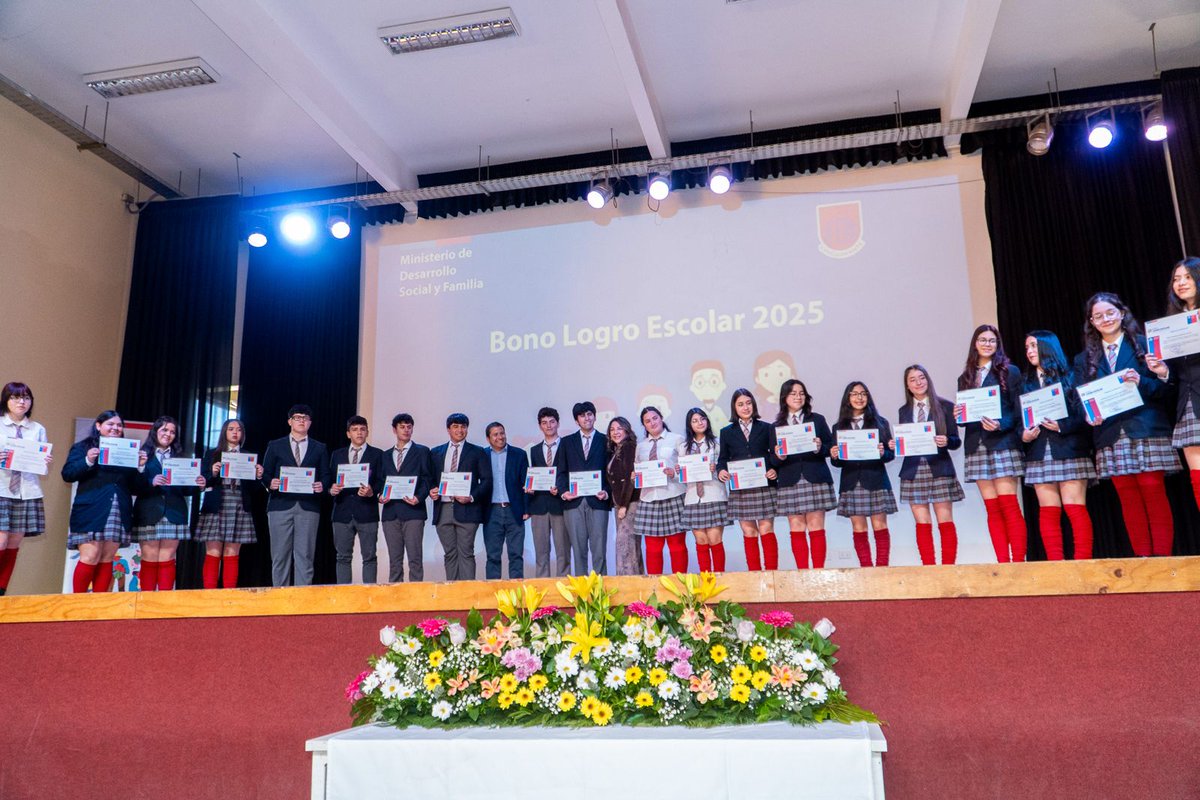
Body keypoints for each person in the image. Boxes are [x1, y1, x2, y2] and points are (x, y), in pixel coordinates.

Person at [1077, 292, 1177, 557]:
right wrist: (1089, 415)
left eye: (1110, 312)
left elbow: (1166, 390)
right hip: (1110, 435)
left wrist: (1144, 380)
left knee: (1153, 493)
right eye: (1098, 316)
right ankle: (1143, 561)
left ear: (1122, 313)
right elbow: (1080, 400)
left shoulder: (1145, 346)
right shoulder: (1084, 359)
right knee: (1128, 498)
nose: (1105, 319)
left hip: (1146, 428)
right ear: (1092, 322)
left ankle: (1164, 563)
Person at [1019, 332, 1096, 560]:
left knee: (1075, 507)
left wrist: (1062, 426)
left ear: (1047, 347)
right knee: (1048, 512)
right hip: (1039, 451)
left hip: (1069, 448)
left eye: (1034, 346)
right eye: (1027, 348)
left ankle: (1082, 563)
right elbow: (1017, 418)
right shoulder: (1025, 382)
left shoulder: (1072, 376)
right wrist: (1023, 435)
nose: (1030, 351)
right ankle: (1056, 566)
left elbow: (1085, 415)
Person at [957, 325, 1027, 563]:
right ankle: (1002, 564)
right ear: (974, 344)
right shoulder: (965, 377)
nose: (987, 344)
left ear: (998, 345)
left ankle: (1018, 562)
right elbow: (967, 420)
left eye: (992, 340)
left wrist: (1000, 424)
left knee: (1009, 505)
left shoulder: (1010, 372)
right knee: (992, 508)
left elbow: (1018, 411)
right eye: (982, 340)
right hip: (977, 446)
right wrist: (959, 415)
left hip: (1003, 443)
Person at [61, 410, 146, 593]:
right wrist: (88, 460)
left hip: (118, 510)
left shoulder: (128, 451)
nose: (115, 428)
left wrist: (140, 468)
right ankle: (78, 603)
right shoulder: (83, 447)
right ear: (99, 426)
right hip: (91, 510)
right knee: (90, 556)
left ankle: (99, 607)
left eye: (119, 425)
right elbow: (67, 474)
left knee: (107, 558)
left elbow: (136, 488)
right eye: (110, 424)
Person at [889, 366, 964, 566]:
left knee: (945, 521)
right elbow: (906, 442)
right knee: (922, 524)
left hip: (939, 468)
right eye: (912, 380)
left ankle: (948, 568)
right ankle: (928, 569)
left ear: (927, 380)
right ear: (907, 385)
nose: (918, 382)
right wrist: (895, 444)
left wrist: (946, 441)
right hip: (913, 470)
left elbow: (956, 441)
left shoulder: (945, 406)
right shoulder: (904, 411)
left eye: (921, 378)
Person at [1148, 256, 1200, 515]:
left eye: (1187, 277)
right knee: (1198, 477)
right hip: (1188, 403)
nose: (1180, 283)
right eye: (1176, 279)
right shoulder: (1172, 322)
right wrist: (1162, 371)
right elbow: (1176, 375)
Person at [132, 416, 204, 591]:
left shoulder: (181, 458)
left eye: (172, 431)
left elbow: (186, 490)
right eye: (164, 430)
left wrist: (198, 486)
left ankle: (165, 604)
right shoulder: (141, 455)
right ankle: (146, 603)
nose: (168, 434)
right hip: (149, 511)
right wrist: (149, 480)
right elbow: (132, 485)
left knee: (167, 557)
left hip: (174, 512)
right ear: (155, 431)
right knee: (149, 557)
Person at [771, 379, 836, 569]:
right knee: (796, 528)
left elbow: (830, 447)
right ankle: (802, 573)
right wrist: (778, 455)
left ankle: (818, 572)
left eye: (801, 393)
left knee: (816, 527)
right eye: (793, 393)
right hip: (790, 479)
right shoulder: (776, 426)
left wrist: (818, 447)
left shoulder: (817, 419)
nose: (798, 397)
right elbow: (773, 461)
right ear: (785, 398)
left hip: (814, 477)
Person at [831, 382, 897, 567]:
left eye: (863, 394)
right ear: (847, 398)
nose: (859, 398)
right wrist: (834, 455)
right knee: (858, 528)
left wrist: (883, 451)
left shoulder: (880, 422)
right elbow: (837, 462)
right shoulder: (838, 427)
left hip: (876, 479)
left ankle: (882, 568)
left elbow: (890, 455)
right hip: (851, 482)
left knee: (880, 526)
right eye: (854, 394)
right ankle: (866, 569)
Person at [262, 404, 329, 587]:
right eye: (297, 417)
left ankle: (302, 600)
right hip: (279, 506)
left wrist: (322, 485)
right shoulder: (275, 445)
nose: (301, 421)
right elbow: (265, 473)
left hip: (308, 507)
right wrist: (269, 483)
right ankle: (280, 597)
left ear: (310, 423)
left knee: (305, 555)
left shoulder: (319, 447)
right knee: (279, 555)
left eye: (305, 418)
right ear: (289, 421)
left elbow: (326, 475)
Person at [716, 388, 779, 571]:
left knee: (766, 529)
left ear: (754, 404)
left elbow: (774, 456)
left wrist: (774, 469)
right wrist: (721, 472)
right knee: (749, 531)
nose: (745, 407)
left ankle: (772, 573)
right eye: (741, 404)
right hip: (741, 488)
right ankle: (754, 574)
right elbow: (723, 460)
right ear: (734, 408)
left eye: (748, 403)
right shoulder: (727, 432)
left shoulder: (767, 428)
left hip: (764, 486)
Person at [197, 419, 263, 588]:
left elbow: (254, 489)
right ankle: (209, 595)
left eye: (239, 430)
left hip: (239, 503)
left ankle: (229, 596)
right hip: (217, 503)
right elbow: (203, 481)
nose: (235, 432)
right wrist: (212, 472)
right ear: (224, 432)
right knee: (213, 552)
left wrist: (258, 476)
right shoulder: (212, 454)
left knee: (232, 552)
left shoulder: (248, 456)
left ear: (242, 434)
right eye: (231, 429)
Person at [0, 382, 52, 596]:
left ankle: (1, 592)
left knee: (13, 544)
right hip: (2, 490)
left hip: (27, 491)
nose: (21, 402)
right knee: (1, 541)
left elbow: (42, 469)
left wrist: (45, 461)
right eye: (15, 397)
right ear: (6, 400)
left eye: (26, 398)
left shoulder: (37, 429)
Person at [429, 413, 492, 581]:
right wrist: (431, 490)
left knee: (466, 553)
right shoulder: (436, 452)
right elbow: (430, 479)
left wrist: (471, 497)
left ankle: (468, 597)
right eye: (456, 426)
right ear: (448, 429)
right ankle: (453, 596)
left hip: (467, 509)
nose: (460, 430)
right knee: (449, 554)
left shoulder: (477, 452)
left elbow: (486, 481)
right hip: (443, 509)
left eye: (463, 426)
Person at [555, 401, 611, 575]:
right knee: (578, 551)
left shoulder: (606, 440)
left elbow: (612, 472)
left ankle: (601, 595)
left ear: (594, 416)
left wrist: (607, 492)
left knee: (599, 551)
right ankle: (582, 595)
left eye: (589, 414)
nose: (586, 418)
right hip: (573, 503)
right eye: (582, 415)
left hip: (598, 501)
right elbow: (560, 471)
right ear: (576, 420)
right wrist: (564, 492)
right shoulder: (566, 442)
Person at [329, 416, 384, 585]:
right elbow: (329, 479)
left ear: (367, 432)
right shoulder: (337, 454)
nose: (359, 433)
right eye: (354, 429)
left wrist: (371, 491)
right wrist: (331, 489)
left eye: (362, 429)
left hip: (367, 512)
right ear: (348, 434)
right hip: (342, 512)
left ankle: (369, 596)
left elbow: (382, 480)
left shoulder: (378, 454)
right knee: (342, 557)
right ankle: (344, 598)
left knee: (369, 557)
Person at [633, 406, 687, 575]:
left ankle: (681, 589)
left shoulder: (677, 439)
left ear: (661, 418)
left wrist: (675, 473)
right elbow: (638, 469)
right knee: (652, 548)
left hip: (673, 495)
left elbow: (687, 468)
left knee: (676, 546)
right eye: (647, 421)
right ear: (644, 425)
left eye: (655, 418)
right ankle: (655, 589)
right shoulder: (640, 446)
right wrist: (635, 476)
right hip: (649, 498)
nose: (652, 423)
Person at [378, 413, 431, 583]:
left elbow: (427, 479)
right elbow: (380, 481)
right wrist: (380, 495)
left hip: (414, 511)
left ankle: (416, 599)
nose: (406, 430)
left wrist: (419, 497)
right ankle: (395, 599)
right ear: (395, 430)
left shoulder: (422, 451)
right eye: (402, 426)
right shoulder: (385, 455)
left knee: (415, 559)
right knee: (394, 561)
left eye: (409, 426)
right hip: (390, 513)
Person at [679, 408, 728, 572]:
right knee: (700, 540)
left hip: (714, 494)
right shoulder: (683, 447)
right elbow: (684, 477)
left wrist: (717, 468)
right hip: (693, 497)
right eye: (695, 421)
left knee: (714, 538)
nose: (699, 423)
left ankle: (720, 577)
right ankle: (705, 580)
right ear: (689, 425)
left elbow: (725, 468)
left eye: (702, 419)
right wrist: (681, 471)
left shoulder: (718, 444)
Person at [525, 407, 570, 577]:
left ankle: (564, 590)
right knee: (541, 554)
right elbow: (534, 475)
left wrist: (561, 489)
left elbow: (568, 473)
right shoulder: (534, 450)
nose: (548, 425)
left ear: (557, 423)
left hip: (560, 505)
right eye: (544, 423)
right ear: (540, 426)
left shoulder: (567, 445)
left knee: (563, 552)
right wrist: (530, 486)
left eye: (552, 421)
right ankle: (542, 590)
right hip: (539, 506)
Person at [483, 421, 529, 580]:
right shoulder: (482, 455)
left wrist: (526, 508)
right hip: (491, 512)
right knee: (493, 556)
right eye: (495, 434)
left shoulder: (519, 454)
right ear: (488, 438)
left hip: (514, 510)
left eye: (502, 433)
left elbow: (526, 483)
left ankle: (516, 597)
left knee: (516, 555)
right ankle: (492, 597)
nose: (500, 437)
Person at [606, 416, 641, 575]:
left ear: (627, 429)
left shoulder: (629, 447)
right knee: (629, 545)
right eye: (612, 429)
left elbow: (630, 478)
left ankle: (629, 584)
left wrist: (624, 505)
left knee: (625, 545)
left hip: (629, 503)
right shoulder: (617, 449)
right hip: (620, 503)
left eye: (619, 428)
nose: (615, 432)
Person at [689, 360, 730, 433]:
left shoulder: (720, 411)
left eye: (714, 382)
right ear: (692, 387)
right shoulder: (698, 412)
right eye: (700, 383)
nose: (707, 387)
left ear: (723, 385)